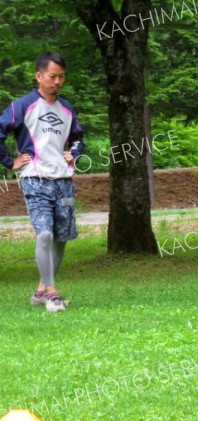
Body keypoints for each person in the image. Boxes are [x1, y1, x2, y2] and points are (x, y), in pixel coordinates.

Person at [0, 52, 85, 312]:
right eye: (52, 76)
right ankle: (52, 293)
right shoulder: (22, 105)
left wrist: (76, 152)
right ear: (39, 76)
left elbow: (78, 138)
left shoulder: (67, 108)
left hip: (63, 180)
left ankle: (41, 290)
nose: (57, 81)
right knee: (45, 233)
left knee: (61, 237)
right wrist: (9, 161)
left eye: (62, 76)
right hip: (34, 178)